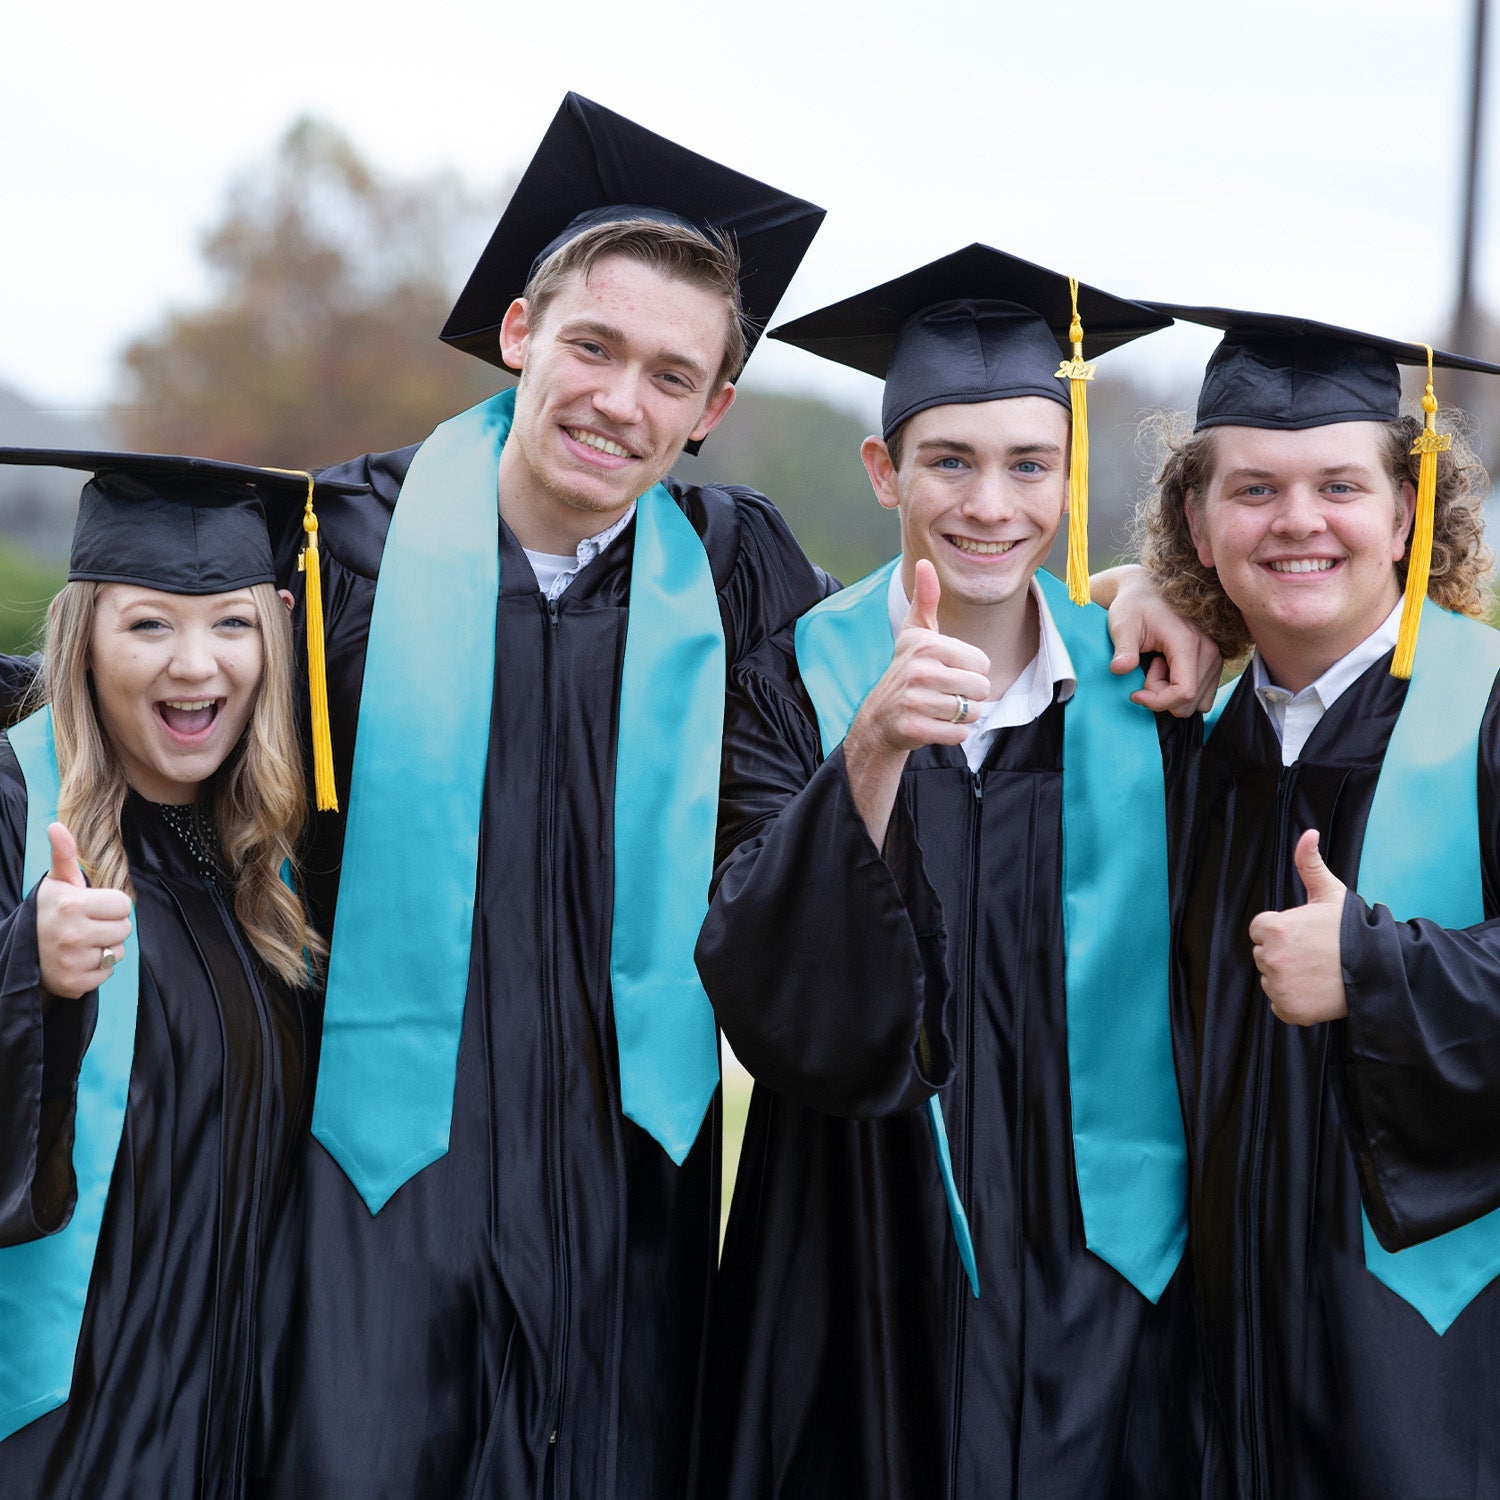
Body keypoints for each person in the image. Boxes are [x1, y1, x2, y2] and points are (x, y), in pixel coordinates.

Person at [250, 95, 829, 1499]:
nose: (621, 402)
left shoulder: (739, 571)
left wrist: (1142, 614)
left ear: (711, 413)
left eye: (670, 377)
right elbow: (152, 709)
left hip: (629, 1177)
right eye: (593, 347)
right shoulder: (345, 546)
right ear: (520, 335)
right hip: (378, 1168)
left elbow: (892, 726)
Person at [694, 246, 1202, 1499]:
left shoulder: (1152, 696)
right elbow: (758, 978)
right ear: (886, 473)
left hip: (1100, 1274)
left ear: (1070, 474)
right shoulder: (790, 682)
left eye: (1029, 464)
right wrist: (869, 746)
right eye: (950, 461)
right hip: (851, 1257)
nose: (992, 503)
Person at [1132, 306, 1500, 1499]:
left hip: (1435, 1372)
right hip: (1213, 1376)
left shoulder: (1487, 710)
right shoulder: (1174, 746)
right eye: (1254, 490)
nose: (1298, 522)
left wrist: (1377, 968)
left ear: (1405, 510)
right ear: (1196, 519)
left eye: (1339, 485)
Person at [0, 451, 339, 1499]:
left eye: (232, 624)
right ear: (85, 638)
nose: (197, 666)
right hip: (65, 1426)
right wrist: (30, 971)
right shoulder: (14, 804)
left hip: (229, 1411)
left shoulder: (265, 860)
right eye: (150, 624)